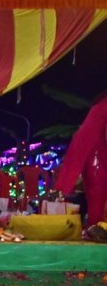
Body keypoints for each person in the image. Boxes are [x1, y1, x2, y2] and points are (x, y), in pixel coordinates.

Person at [55, 94, 107, 227]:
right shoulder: (102, 106)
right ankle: (97, 229)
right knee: (97, 205)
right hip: (95, 157)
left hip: (97, 154)